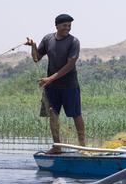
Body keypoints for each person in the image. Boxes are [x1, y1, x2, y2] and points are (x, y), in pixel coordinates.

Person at [25, 14, 85, 154]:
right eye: (65, 25)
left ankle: (83, 146)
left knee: (76, 114)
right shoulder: (48, 39)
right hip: (51, 87)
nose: (67, 28)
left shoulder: (74, 41)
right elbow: (36, 58)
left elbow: (70, 65)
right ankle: (57, 146)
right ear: (57, 26)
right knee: (52, 114)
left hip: (69, 85)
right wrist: (33, 46)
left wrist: (49, 79)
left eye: (69, 26)